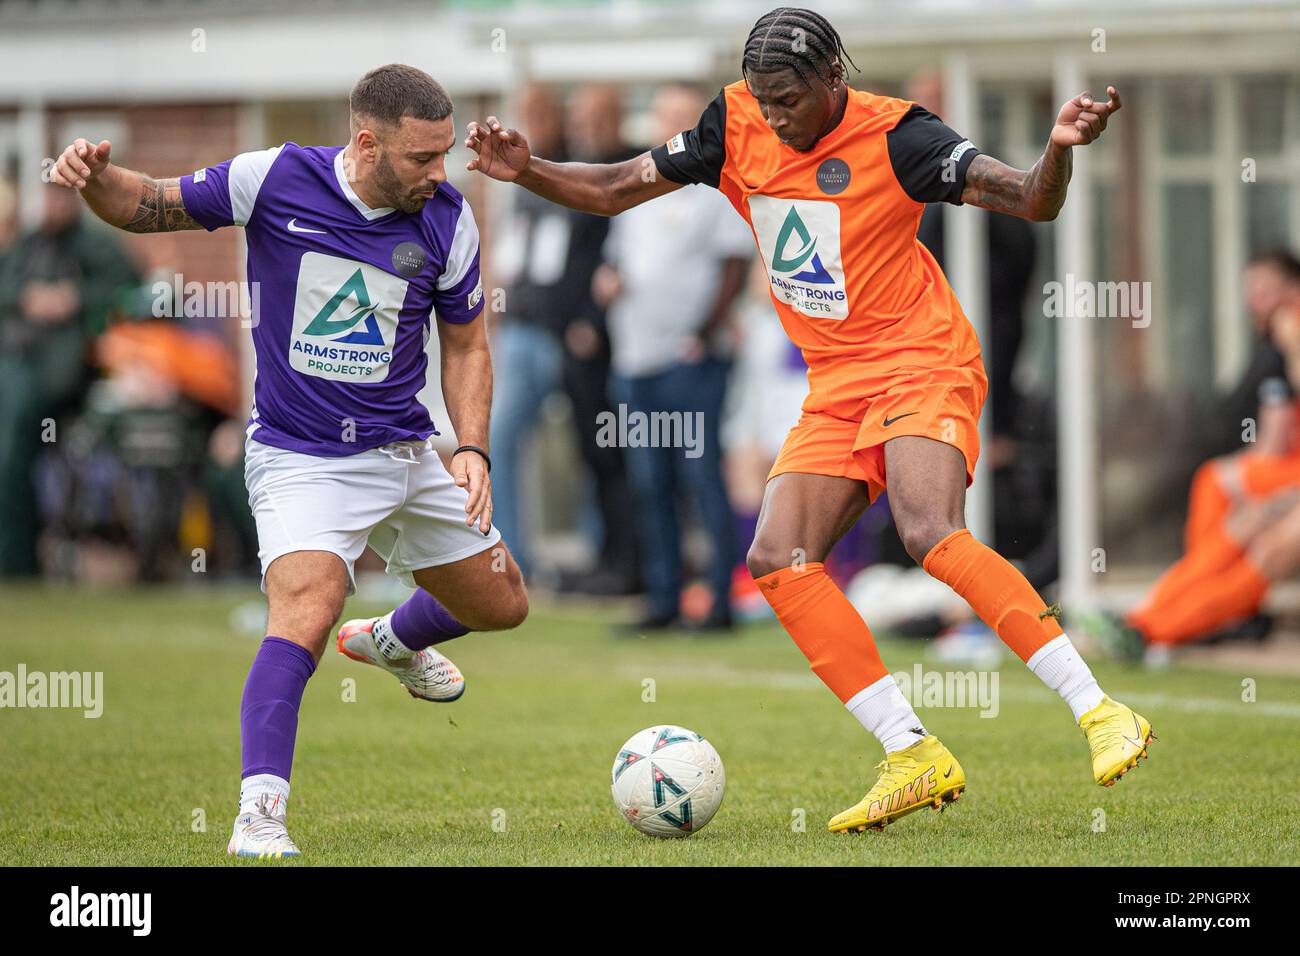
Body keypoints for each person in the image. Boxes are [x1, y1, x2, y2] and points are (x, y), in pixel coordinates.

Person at [465, 6, 1152, 833]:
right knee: (779, 557)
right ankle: (911, 751)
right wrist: (525, 168)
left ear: (834, 80)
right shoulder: (735, 121)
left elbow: (1029, 201)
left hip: (921, 359)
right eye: (764, 99)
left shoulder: (903, 137)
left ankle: (1100, 709)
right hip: (836, 382)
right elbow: (615, 189)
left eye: (789, 99)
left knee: (928, 527)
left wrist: (1057, 155)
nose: (776, 117)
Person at [50, 63, 529, 858]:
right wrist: (95, 178)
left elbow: (470, 344)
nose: (440, 173)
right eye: (422, 158)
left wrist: (470, 446)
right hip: (302, 458)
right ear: (366, 143)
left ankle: (394, 640)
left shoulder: (449, 218)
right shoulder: (272, 177)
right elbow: (147, 205)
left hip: (407, 448)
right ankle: (259, 816)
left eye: (445, 155)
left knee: (503, 604)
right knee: (308, 609)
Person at [595, 84, 752, 631]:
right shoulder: (638, 188)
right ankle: (663, 598)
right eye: (666, 119)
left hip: (690, 360)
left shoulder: (715, 189)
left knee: (700, 478)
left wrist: (703, 335)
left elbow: (735, 268)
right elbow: (615, 261)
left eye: (684, 120)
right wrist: (607, 282)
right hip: (635, 361)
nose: (674, 131)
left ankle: (720, 602)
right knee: (650, 482)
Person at [0, 184, 139, 576]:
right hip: (14, 364)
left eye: (60, 196)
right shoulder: (28, 246)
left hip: (61, 377)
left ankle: (16, 564)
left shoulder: (97, 245)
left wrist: (73, 298)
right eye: (46, 195)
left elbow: (129, 284)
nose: (52, 204)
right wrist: (29, 297)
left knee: (11, 449)